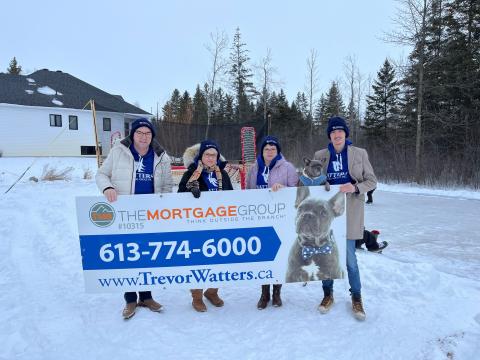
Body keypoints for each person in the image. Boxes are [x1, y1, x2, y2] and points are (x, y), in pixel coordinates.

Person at [96, 118, 173, 320]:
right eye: (139, 132)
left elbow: (166, 186)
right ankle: (130, 299)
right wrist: (108, 187)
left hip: (150, 214)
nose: (143, 136)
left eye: (148, 133)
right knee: (129, 254)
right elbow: (101, 174)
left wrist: (163, 207)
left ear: (152, 136)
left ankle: (146, 297)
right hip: (125, 214)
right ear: (133, 134)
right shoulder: (119, 151)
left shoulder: (161, 157)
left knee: (146, 254)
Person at [313, 116, 377, 321]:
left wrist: (355, 187)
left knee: (350, 259)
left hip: (350, 212)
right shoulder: (320, 155)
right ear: (329, 136)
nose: (337, 135)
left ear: (345, 134)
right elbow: (311, 181)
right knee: (326, 256)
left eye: (340, 132)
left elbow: (372, 180)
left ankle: (356, 297)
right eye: (333, 132)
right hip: (327, 214)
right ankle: (327, 295)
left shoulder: (359, 153)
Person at [178, 140, 234, 312]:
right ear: (201, 156)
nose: (211, 158)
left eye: (214, 155)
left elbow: (231, 197)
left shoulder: (222, 174)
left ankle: (212, 291)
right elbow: (179, 198)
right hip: (196, 227)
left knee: (219, 260)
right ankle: (197, 296)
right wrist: (190, 194)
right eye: (207, 154)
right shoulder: (190, 174)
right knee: (198, 262)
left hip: (219, 225)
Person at [246, 135, 299, 309]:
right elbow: (248, 191)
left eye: (273, 149)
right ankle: (264, 293)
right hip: (260, 218)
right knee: (264, 257)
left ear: (278, 151)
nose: (269, 152)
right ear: (262, 151)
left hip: (280, 218)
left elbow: (297, 191)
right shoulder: (254, 168)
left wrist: (284, 190)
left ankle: (277, 293)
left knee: (279, 256)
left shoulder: (288, 167)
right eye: (266, 149)